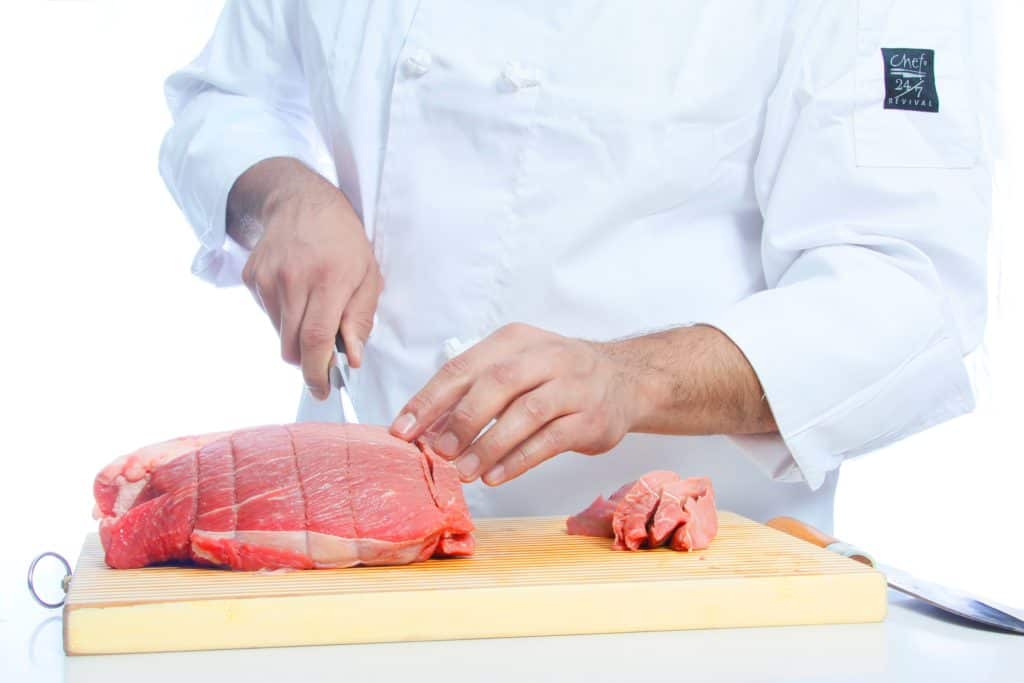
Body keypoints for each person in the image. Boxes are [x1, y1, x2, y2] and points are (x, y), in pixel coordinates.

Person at [159, 1, 993, 531]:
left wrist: (632, 378)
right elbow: (230, 94)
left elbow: (904, 285)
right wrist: (280, 192)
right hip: (356, 549)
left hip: (679, 605)